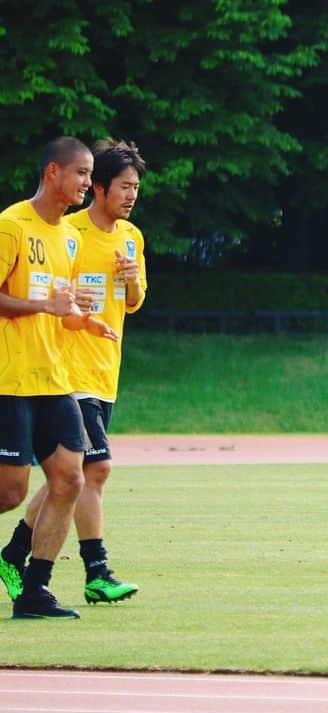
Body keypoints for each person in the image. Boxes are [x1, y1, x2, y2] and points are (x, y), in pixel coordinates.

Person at [0, 139, 147, 608]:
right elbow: (42, 299)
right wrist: (52, 307)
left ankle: (27, 574)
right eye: (82, 174)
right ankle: (86, 569)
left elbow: (90, 305)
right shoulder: (34, 227)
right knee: (45, 482)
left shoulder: (99, 237)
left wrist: (96, 310)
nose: (86, 182)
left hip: (77, 375)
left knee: (68, 477)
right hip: (37, 374)